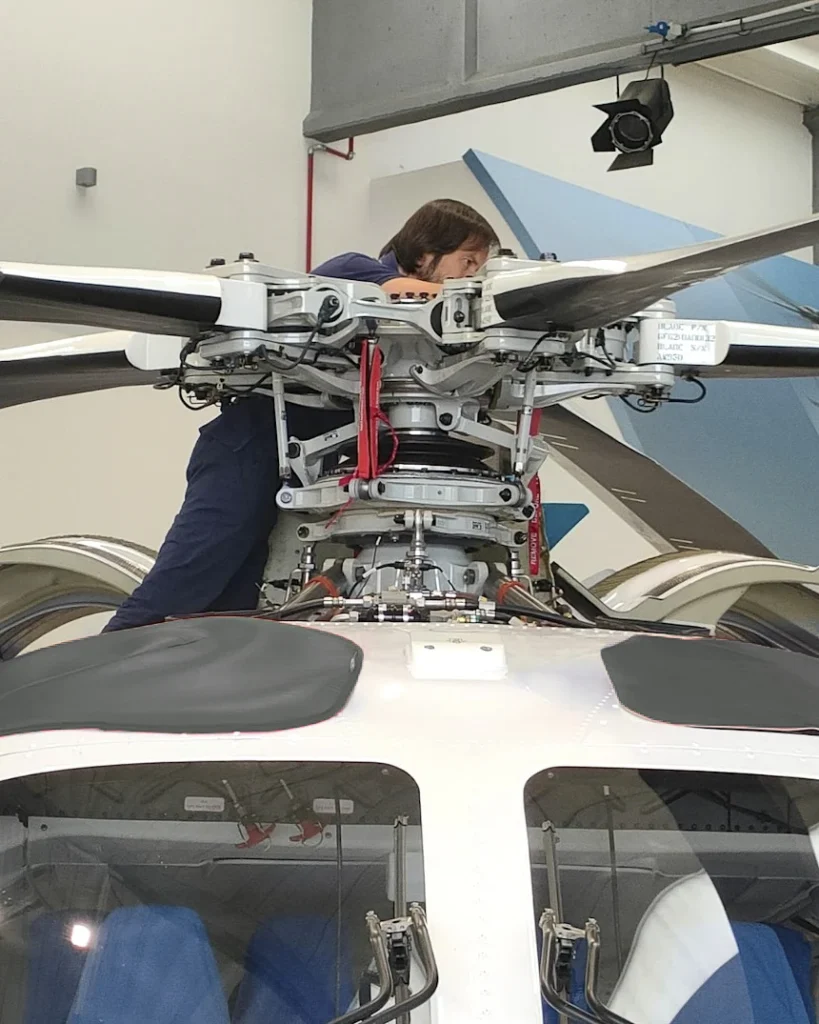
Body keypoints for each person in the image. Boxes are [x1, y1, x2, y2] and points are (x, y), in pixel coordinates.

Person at [104, 199, 499, 631]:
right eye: (468, 261)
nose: (472, 276)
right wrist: (502, 298)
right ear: (425, 255)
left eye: (480, 268)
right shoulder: (355, 271)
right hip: (251, 447)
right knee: (181, 588)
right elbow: (406, 293)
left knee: (234, 611)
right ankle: (100, 673)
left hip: (300, 464)